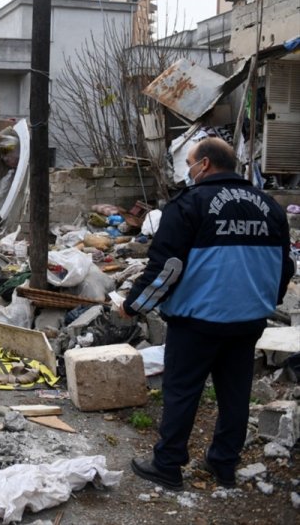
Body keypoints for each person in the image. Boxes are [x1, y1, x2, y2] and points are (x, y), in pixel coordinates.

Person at [120, 137, 294, 491]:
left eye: (189, 163)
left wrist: (133, 305)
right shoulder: (269, 207)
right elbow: (284, 267)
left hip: (197, 321)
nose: (188, 170)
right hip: (248, 322)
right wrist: (263, 301)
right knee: (235, 394)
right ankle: (224, 465)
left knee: (182, 391)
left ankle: (168, 465)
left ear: (206, 165)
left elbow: (166, 268)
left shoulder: (189, 205)